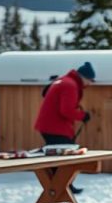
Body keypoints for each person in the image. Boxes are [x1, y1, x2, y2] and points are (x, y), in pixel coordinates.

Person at [34, 62, 95, 194]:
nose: (89, 84)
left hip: (49, 125)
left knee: (60, 157)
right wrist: (83, 115)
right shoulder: (70, 85)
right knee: (67, 155)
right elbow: (66, 110)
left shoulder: (63, 81)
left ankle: (61, 187)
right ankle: (60, 189)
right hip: (55, 127)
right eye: (90, 80)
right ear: (83, 77)